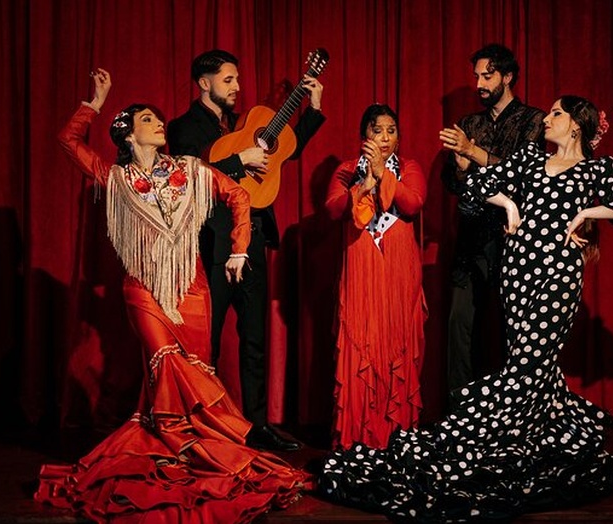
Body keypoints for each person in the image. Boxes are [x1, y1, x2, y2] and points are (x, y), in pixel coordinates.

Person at [318, 95, 613, 522]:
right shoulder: (531, 160)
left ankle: (501, 447)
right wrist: (511, 204)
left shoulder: (594, 170)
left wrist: (585, 214)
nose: (547, 118)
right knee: (529, 363)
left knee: (530, 364)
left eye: (556, 113)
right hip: (517, 272)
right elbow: (476, 185)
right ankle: (535, 443)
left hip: (558, 274)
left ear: (576, 125)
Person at [35, 69, 308, 523]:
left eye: (159, 118)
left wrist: (239, 249)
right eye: (147, 119)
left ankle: (187, 456)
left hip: (192, 290)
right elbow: (67, 141)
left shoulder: (190, 170)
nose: (159, 123)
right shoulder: (115, 177)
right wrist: (95, 103)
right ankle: (184, 443)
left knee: (194, 371)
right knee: (166, 362)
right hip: (143, 288)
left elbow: (239, 196)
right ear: (128, 134)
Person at [168, 50, 325, 451]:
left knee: (255, 338)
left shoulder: (245, 123)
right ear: (204, 83)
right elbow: (189, 176)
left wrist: (313, 109)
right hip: (212, 242)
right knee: (208, 341)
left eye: (237, 79)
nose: (237, 87)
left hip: (252, 238)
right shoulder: (183, 128)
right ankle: (203, 425)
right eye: (228, 80)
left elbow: (285, 149)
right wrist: (240, 161)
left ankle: (257, 426)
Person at [440, 43, 546, 395]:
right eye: (477, 77)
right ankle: (460, 411)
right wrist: (460, 167)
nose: (479, 84)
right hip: (471, 240)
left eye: (487, 76)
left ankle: (509, 409)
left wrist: (472, 152)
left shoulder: (533, 121)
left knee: (510, 329)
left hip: (512, 241)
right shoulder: (470, 123)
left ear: (508, 76)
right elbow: (451, 183)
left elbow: (523, 175)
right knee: (459, 324)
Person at [324, 104, 427, 450]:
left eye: (391, 131)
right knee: (360, 343)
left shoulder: (409, 168)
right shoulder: (346, 170)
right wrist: (363, 185)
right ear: (363, 135)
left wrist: (383, 173)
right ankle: (356, 436)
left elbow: (412, 204)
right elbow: (333, 208)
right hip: (361, 261)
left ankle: (396, 433)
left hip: (398, 266)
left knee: (398, 341)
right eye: (376, 130)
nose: (384, 137)